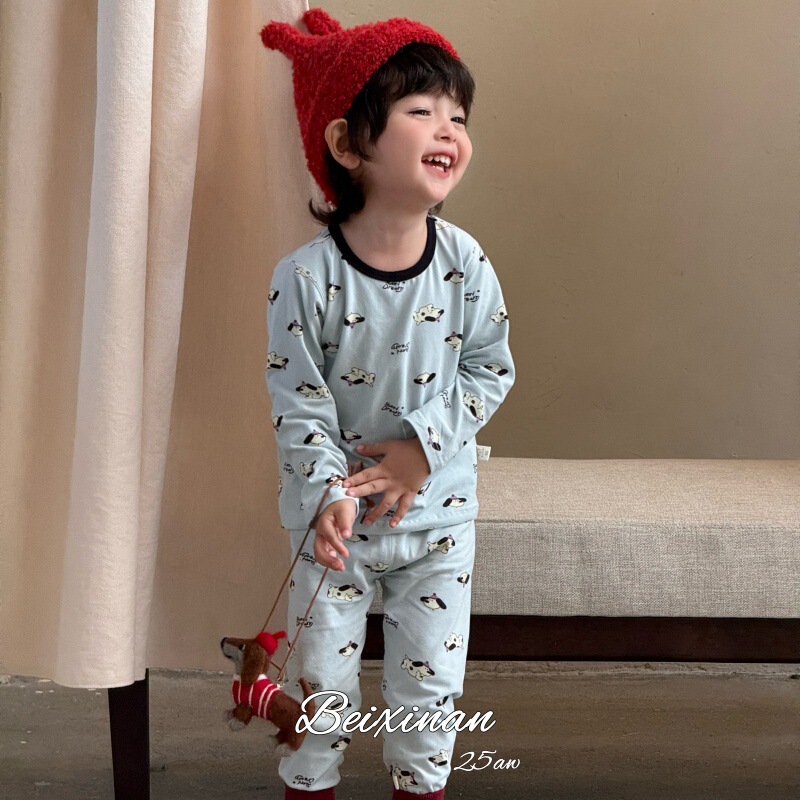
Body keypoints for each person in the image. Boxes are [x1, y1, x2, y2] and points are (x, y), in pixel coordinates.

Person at [260, 9, 515, 800]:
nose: (448, 129)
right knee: (321, 692)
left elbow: (490, 369)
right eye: (421, 110)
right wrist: (326, 493)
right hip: (334, 532)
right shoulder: (305, 278)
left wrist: (419, 450)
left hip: (439, 522)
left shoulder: (465, 263)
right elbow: (298, 401)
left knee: (430, 694)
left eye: (458, 116)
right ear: (348, 145)